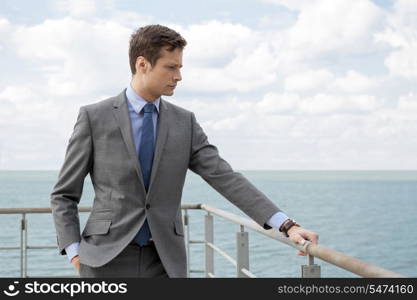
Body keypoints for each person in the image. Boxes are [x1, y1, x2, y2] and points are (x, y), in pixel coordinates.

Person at [50, 24, 318, 278]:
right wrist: (74, 251)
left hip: (165, 261)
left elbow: (225, 177)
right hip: (103, 259)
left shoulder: (184, 122)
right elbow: (64, 194)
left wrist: (287, 225)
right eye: (171, 67)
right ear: (142, 64)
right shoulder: (94, 117)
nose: (179, 76)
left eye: (180, 67)